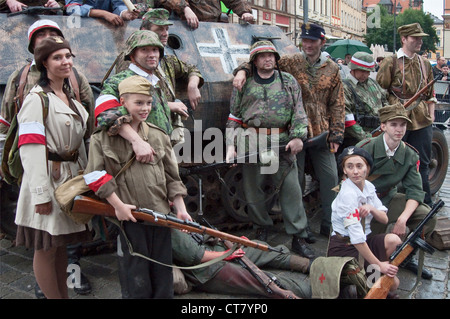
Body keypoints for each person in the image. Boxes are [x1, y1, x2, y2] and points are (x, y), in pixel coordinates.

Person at [0, 19, 94, 297]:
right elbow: (30, 149)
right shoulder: (36, 99)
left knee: (61, 246)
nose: (65, 62)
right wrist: (40, 194)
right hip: (47, 182)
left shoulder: (70, 97)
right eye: (57, 58)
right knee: (45, 248)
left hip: (70, 179)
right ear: (44, 63)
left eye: (67, 56)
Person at [84, 75, 192, 298]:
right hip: (130, 218)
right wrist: (118, 206)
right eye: (138, 103)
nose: (145, 108)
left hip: (161, 216)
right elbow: (94, 175)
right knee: (136, 277)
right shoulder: (103, 138)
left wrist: (181, 208)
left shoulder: (158, 135)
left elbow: (172, 176)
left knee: (163, 275)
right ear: (123, 102)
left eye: (149, 102)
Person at [233, 23, 345, 239]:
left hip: (320, 130)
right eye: (305, 41)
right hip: (293, 132)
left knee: (330, 177)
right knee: (295, 182)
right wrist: (242, 71)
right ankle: (300, 229)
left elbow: (338, 103)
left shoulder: (332, 69)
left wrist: (337, 133)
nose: (308, 45)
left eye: (312, 41)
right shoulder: (291, 62)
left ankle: (330, 223)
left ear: (322, 42)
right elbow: (262, 62)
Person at [226, 40, 315, 259]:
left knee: (290, 189)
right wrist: (231, 145)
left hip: (280, 142)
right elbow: (234, 117)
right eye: (263, 56)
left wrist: (297, 137)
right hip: (251, 141)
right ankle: (261, 227)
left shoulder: (288, 81)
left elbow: (299, 112)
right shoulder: (243, 84)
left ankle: (298, 235)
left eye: (271, 55)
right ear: (254, 61)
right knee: (253, 188)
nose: (268, 59)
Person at [356, 103, 437, 279]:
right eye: (394, 124)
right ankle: (371, 276)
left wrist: (402, 219)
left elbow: (415, 191)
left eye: (403, 125)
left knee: (425, 215)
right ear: (383, 126)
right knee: (372, 247)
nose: (399, 129)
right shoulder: (365, 148)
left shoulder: (409, 154)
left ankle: (404, 257)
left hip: (388, 198)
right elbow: (350, 185)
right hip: (365, 203)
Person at [113, 8, 204, 145]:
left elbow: (191, 69)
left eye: (167, 29)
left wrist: (193, 84)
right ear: (144, 30)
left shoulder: (167, 60)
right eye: (159, 29)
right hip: (142, 131)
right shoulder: (129, 60)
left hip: (164, 129)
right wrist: (169, 105)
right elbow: (127, 99)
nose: (165, 34)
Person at [327, 146, 402, 298]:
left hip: (365, 240)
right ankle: (368, 280)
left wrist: (372, 208)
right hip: (345, 247)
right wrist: (380, 265)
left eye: (359, 166)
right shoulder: (347, 195)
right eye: (350, 167)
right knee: (394, 284)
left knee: (394, 240)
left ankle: (371, 279)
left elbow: (385, 219)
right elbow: (356, 239)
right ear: (345, 171)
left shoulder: (368, 187)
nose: (355, 171)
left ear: (367, 169)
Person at [376, 23, 437, 207]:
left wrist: (431, 116)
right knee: (393, 161)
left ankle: (423, 205)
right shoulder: (391, 62)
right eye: (414, 38)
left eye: (420, 38)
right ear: (404, 39)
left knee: (422, 164)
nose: (419, 41)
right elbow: (379, 91)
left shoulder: (425, 63)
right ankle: (392, 204)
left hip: (421, 120)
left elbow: (430, 94)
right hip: (397, 119)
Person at [169, 229, 313, 298]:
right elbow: (195, 256)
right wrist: (227, 254)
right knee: (262, 280)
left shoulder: (172, 207)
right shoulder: (161, 221)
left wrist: (226, 240)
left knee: (260, 248)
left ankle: (310, 265)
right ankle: (312, 289)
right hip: (205, 270)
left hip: (213, 247)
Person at [342, 52, 388, 148]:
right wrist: (366, 138)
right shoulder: (344, 87)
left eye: (368, 72)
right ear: (353, 68)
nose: (365, 74)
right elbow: (347, 117)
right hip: (355, 139)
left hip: (379, 132)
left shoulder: (373, 83)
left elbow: (385, 102)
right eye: (362, 71)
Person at [170, 0, 254, 29]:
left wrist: (244, 11)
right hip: (190, 28)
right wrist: (185, 8)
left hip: (213, 27)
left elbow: (234, 1)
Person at [65, 0, 139, 26]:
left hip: (105, 33)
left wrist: (125, 13)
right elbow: (72, 9)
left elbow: (119, 5)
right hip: (79, 32)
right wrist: (104, 14)